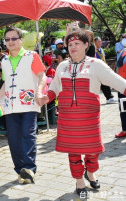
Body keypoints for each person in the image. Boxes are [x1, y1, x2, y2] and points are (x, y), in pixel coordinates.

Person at [40, 30, 126, 198]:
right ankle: (79, 181)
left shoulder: (96, 64)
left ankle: (91, 172)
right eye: (70, 44)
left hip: (89, 120)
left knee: (93, 151)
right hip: (67, 119)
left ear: (86, 45)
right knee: (73, 151)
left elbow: (116, 80)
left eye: (77, 44)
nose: (72, 47)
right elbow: (55, 87)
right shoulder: (63, 66)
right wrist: (46, 97)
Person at [0, 27, 46, 184]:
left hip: (29, 103)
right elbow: (6, 83)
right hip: (11, 106)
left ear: (21, 40)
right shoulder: (5, 60)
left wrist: (39, 92)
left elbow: (42, 76)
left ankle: (29, 169)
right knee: (13, 140)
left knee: (28, 135)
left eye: (14, 38)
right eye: (7, 39)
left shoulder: (32, 56)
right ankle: (20, 170)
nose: (10, 42)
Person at [94, 37, 117, 104]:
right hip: (97, 69)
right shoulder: (94, 51)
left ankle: (109, 97)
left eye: (101, 41)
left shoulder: (101, 49)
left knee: (105, 83)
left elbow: (104, 59)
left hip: (102, 69)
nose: (100, 43)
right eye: (98, 41)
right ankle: (109, 97)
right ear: (95, 42)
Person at [116, 38, 126, 138]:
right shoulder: (123, 51)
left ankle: (125, 129)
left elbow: (118, 65)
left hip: (122, 84)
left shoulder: (123, 52)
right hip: (122, 83)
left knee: (123, 108)